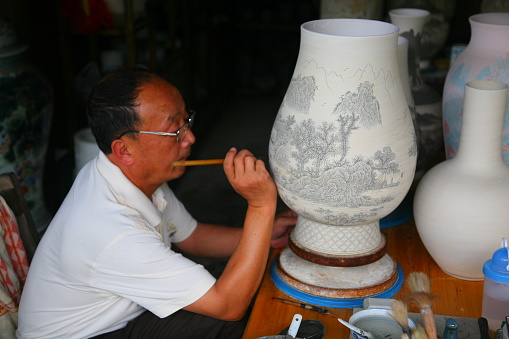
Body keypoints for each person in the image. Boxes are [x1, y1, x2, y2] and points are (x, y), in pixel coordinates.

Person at [16, 67, 297, 339]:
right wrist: (260, 207)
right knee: (236, 318)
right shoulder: (113, 230)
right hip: (87, 334)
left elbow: (193, 237)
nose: (190, 138)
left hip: (117, 317)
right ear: (124, 150)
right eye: (175, 131)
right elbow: (228, 306)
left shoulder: (123, 175)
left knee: (240, 286)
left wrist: (265, 234)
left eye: (187, 121)